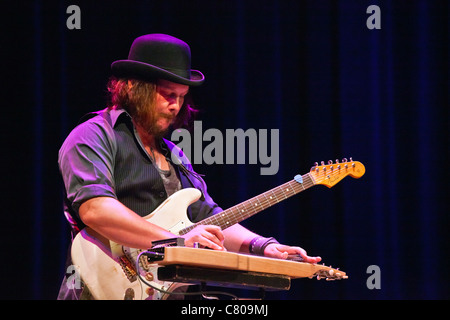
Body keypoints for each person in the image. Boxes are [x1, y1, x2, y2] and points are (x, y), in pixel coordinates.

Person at [57, 33, 321, 300]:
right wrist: (177, 243)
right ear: (133, 88)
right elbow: (96, 209)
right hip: (100, 288)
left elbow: (209, 217)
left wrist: (262, 246)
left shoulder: (174, 155)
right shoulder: (92, 136)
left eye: (182, 97)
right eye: (168, 94)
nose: (176, 106)